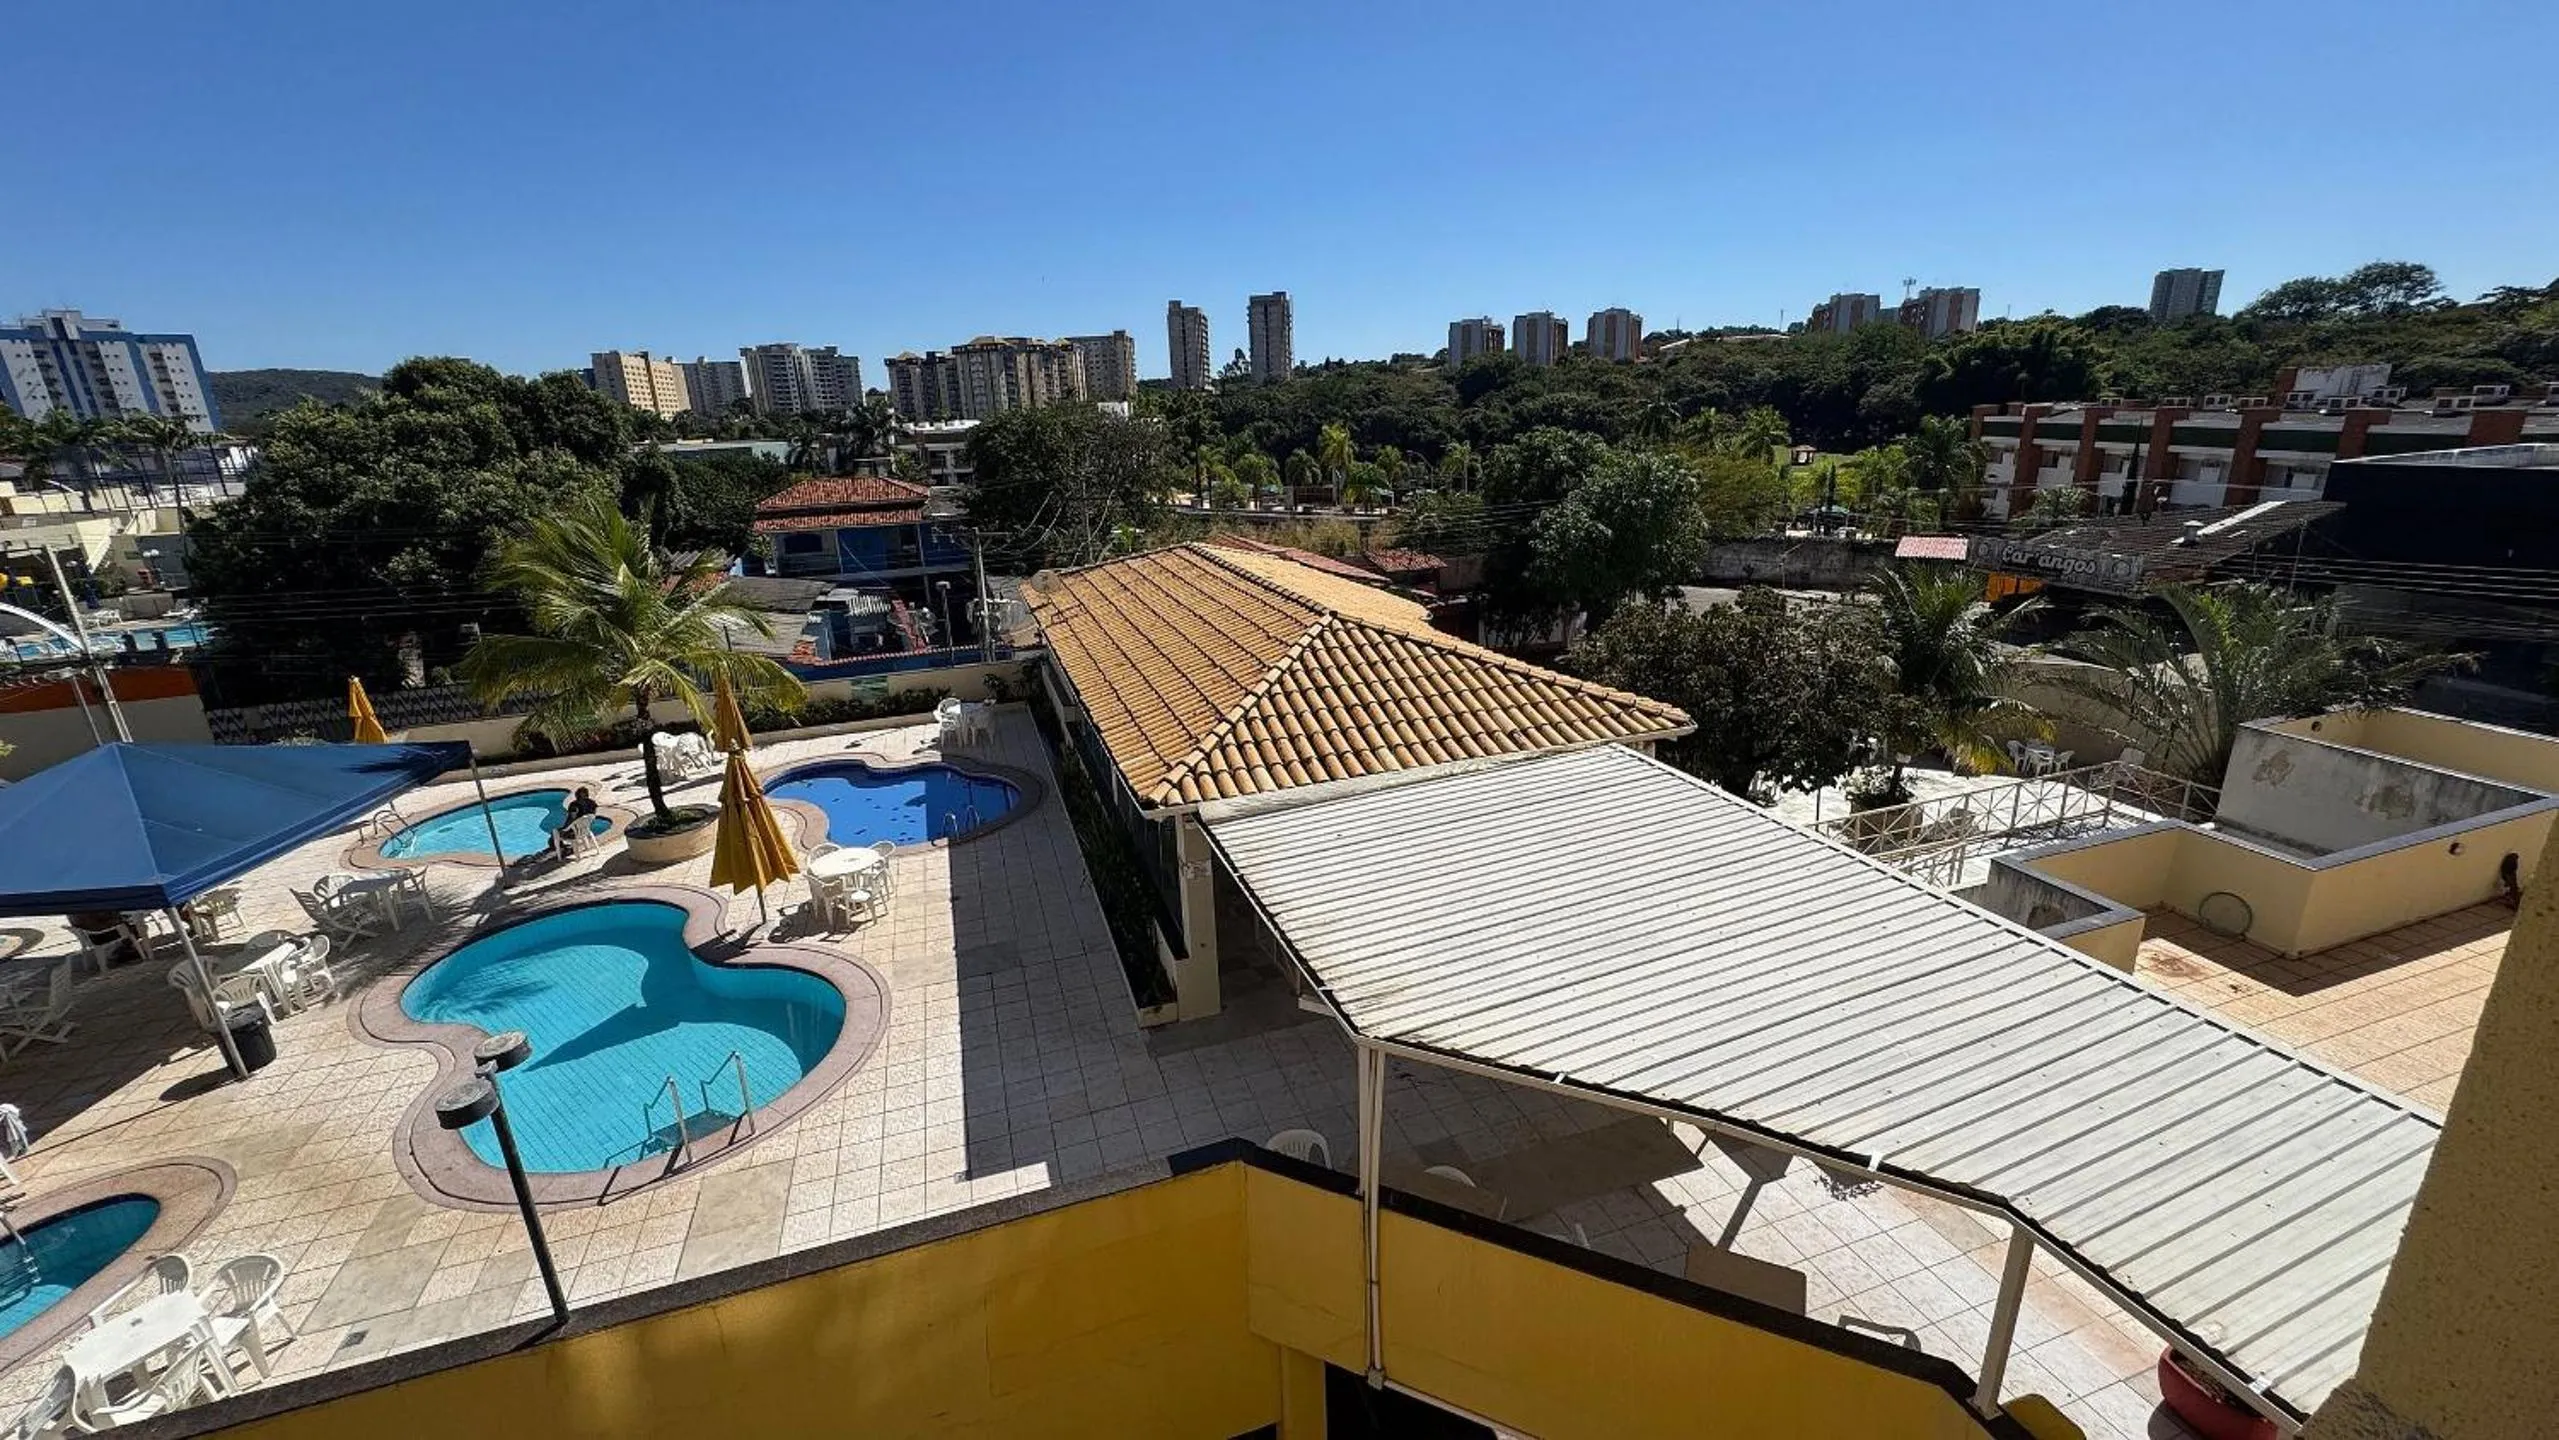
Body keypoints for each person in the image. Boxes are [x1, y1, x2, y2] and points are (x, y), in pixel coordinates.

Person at [550, 787, 600, 860]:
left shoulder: (574, 805)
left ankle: (562, 850)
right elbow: (592, 815)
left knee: (554, 833)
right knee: (576, 827)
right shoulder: (592, 803)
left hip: (574, 832)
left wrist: (565, 829)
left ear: (576, 795)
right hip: (586, 829)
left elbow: (572, 818)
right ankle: (577, 846)